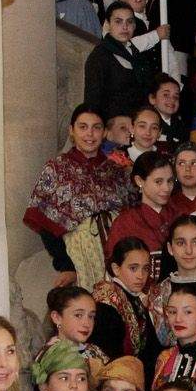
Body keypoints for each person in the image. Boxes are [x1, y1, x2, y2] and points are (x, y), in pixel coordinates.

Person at [27, 105, 136, 289]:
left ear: (105, 132)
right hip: (79, 257)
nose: (90, 134)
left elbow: (132, 216)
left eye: (96, 127)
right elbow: (45, 223)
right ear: (72, 130)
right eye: (83, 127)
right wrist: (66, 266)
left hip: (118, 254)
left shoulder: (117, 171)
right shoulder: (57, 168)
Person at [91, 237, 158, 365]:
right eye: (133, 268)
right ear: (116, 269)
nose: (141, 276)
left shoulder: (134, 297)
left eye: (146, 268)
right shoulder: (106, 303)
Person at [106, 152, 181, 266]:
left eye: (170, 181)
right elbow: (114, 265)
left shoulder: (179, 216)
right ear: (139, 181)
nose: (166, 188)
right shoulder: (125, 224)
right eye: (158, 182)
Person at [87, 2, 157, 122]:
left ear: (134, 25)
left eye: (129, 22)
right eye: (118, 21)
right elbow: (92, 101)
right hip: (111, 128)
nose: (125, 27)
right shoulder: (100, 56)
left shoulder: (139, 56)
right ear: (108, 25)